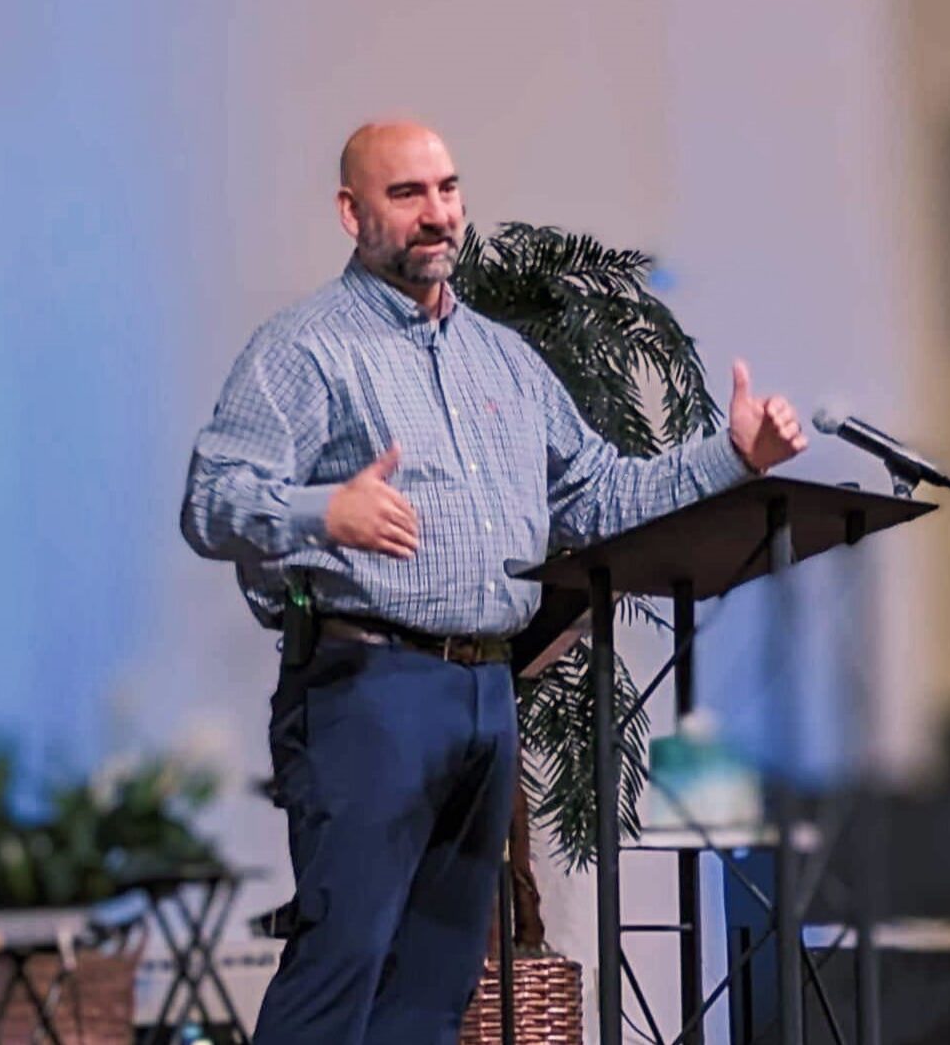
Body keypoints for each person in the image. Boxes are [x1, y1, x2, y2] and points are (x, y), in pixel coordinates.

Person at [180, 120, 807, 1045]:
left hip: (486, 690)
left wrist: (731, 458)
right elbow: (211, 502)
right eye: (407, 195)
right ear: (353, 213)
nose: (436, 215)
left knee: (436, 987)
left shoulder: (504, 360)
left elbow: (596, 494)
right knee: (342, 965)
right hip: (369, 689)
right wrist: (324, 514)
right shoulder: (306, 350)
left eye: (446, 189)